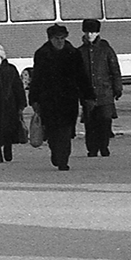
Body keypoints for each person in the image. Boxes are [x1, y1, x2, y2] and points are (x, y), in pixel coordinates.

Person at [28, 23, 88, 171]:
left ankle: (63, 160)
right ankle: (56, 153)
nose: (60, 41)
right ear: (50, 39)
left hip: (68, 100)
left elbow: (82, 77)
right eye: (57, 38)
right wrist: (34, 99)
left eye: (62, 38)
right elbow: (36, 79)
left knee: (66, 133)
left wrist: (88, 96)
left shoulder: (73, 53)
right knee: (53, 132)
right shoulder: (42, 54)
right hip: (49, 101)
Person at [77, 18, 122, 157]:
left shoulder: (106, 50)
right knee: (90, 123)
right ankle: (92, 148)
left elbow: (115, 70)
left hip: (105, 92)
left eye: (92, 32)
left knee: (104, 121)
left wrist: (117, 88)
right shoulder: (80, 52)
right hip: (88, 94)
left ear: (97, 33)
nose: (89, 35)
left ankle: (104, 146)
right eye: (87, 32)